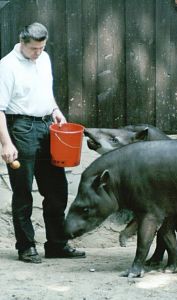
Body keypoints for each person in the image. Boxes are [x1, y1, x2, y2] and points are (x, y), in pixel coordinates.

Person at [0, 22, 85, 263]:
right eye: (34, 49)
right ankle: (26, 246)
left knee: (57, 189)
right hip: (21, 128)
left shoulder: (44, 58)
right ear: (22, 43)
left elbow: (45, 91)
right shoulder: (7, 66)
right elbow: (0, 108)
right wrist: (6, 144)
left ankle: (57, 244)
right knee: (23, 191)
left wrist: (55, 109)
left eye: (42, 47)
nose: (38, 53)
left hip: (48, 126)